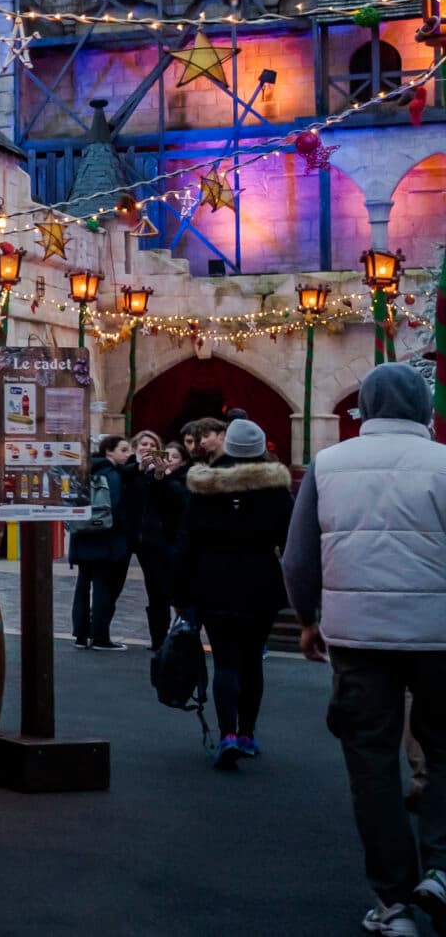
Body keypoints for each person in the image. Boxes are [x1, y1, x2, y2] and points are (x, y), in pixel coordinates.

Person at [284, 362, 446, 937]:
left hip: (358, 636)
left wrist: (308, 619)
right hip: (438, 635)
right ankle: (443, 868)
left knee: (371, 764)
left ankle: (394, 900)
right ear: (425, 409)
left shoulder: (329, 465)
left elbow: (299, 558)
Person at [178, 416, 292, 770]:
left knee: (225, 660)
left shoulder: (203, 486)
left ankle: (226, 734)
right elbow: (290, 541)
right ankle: (247, 733)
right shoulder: (275, 490)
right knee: (252, 660)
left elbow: (186, 542)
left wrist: (182, 593)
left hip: (213, 579)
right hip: (260, 580)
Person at [71, 435, 140, 650]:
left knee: (83, 585)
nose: (127, 454)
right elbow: (118, 509)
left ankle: (81, 636)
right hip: (106, 538)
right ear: (109, 451)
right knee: (103, 586)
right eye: (123, 449)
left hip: (82, 535)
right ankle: (100, 637)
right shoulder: (113, 476)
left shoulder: (85, 472)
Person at [135, 434, 188, 647]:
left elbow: (180, 500)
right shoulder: (149, 477)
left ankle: (178, 636)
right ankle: (158, 638)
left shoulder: (183, 478)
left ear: (183, 461)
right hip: (151, 542)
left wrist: (164, 476)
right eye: (168, 456)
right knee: (155, 592)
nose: (169, 460)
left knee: (173, 592)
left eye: (174, 457)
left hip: (173, 542)